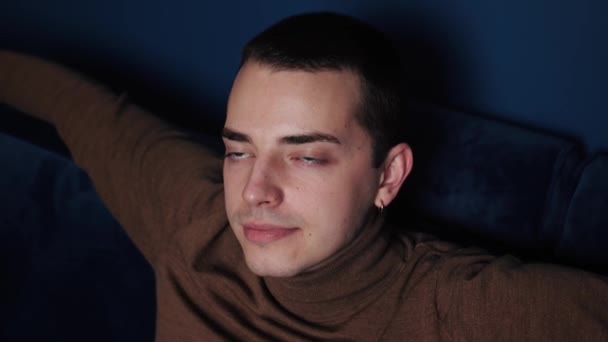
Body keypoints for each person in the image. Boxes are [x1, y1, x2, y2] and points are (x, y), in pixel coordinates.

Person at [1, 12, 607, 341]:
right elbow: (78, 107)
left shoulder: (467, 311)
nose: (254, 192)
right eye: (239, 151)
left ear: (387, 176)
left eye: (305, 155)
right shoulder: (191, 217)